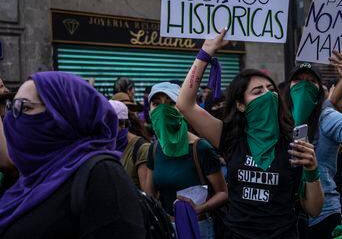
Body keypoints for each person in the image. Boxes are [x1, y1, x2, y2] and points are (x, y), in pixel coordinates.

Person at [176, 29, 324, 239]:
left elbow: (314, 209)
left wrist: (312, 170)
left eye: (271, 89)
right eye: (258, 92)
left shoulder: (293, 143)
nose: (269, 94)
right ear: (241, 105)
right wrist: (205, 52)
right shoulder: (230, 137)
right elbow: (185, 104)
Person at [0, 72, 146, 238]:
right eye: (12, 107)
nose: (13, 119)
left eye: (25, 107)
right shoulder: (29, 178)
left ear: (64, 113)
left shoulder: (102, 176)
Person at [285, 48, 342, 238]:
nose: (304, 86)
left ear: (319, 90)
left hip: (323, 214)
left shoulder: (326, 117)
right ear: (288, 87)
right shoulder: (280, 117)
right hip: (285, 213)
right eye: (298, 81)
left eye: (311, 82)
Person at [144, 82, 228, 239]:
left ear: (182, 109)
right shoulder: (154, 149)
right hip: (167, 229)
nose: (163, 110)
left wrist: (201, 208)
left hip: (199, 228)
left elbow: (223, 193)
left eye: (171, 103)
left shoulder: (201, 148)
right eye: (156, 104)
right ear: (149, 110)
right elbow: (150, 195)